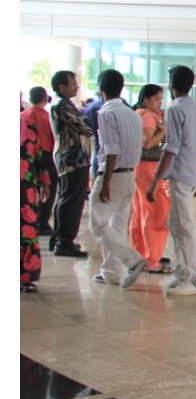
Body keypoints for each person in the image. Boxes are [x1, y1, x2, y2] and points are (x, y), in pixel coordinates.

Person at [146, 65, 196, 296]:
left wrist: (155, 181)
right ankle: (182, 272)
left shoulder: (174, 109)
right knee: (177, 225)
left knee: (184, 227)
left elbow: (171, 148)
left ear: (171, 84)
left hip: (182, 174)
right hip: (192, 173)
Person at [87, 69, 149, 289]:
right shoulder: (132, 114)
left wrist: (105, 182)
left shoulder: (106, 113)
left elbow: (111, 149)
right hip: (130, 175)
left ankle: (132, 260)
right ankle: (111, 272)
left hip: (113, 175)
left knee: (97, 224)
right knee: (118, 226)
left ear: (100, 88)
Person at [49, 69, 94, 258]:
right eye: (73, 84)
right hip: (72, 159)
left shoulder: (64, 105)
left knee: (66, 198)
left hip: (73, 158)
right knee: (71, 201)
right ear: (62, 87)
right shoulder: (63, 106)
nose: (76, 87)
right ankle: (64, 242)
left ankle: (59, 238)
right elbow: (85, 127)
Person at [130, 84, 171, 274]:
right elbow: (147, 143)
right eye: (156, 99)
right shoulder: (147, 116)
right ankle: (152, 259)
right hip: (148, 166)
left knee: (140, 211)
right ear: (146, 99)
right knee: (156, 211)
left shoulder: (138, 114)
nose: (159, 103)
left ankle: (141, 254)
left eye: (161, 99)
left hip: (139, 167)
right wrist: (163, 132)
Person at [21, 111, 52, 293]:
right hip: (25, 186)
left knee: (26, 230)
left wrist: (45, 182)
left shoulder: (27, 123)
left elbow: (38, 155)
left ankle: (24, 277)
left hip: (24, 187)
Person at [21, 86, 56, 235]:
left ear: (30, 99)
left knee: (28, 190)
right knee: (48, 189)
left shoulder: (23, 116)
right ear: (45, 99)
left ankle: (29, 220)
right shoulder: (48, 117)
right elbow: (54, 139)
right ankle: (42, 222)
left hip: (26, 158)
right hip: (46, 156)